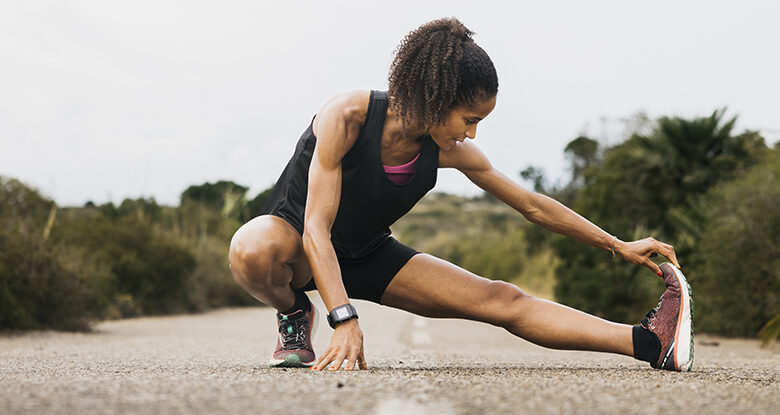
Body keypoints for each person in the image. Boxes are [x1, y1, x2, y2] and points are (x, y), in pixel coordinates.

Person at [228, 18, 693, 372]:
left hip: (366, 252)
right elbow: (315, 228)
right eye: (469, 118)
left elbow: (532, 205)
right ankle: (293, 311)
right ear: (434, 97)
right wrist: (343, 318)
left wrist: (618, 244)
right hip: (297, 242)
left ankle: (650, 343)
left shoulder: (452, 151)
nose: (471, 132)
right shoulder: (346, 116)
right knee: (251, 248)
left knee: (502, 299)